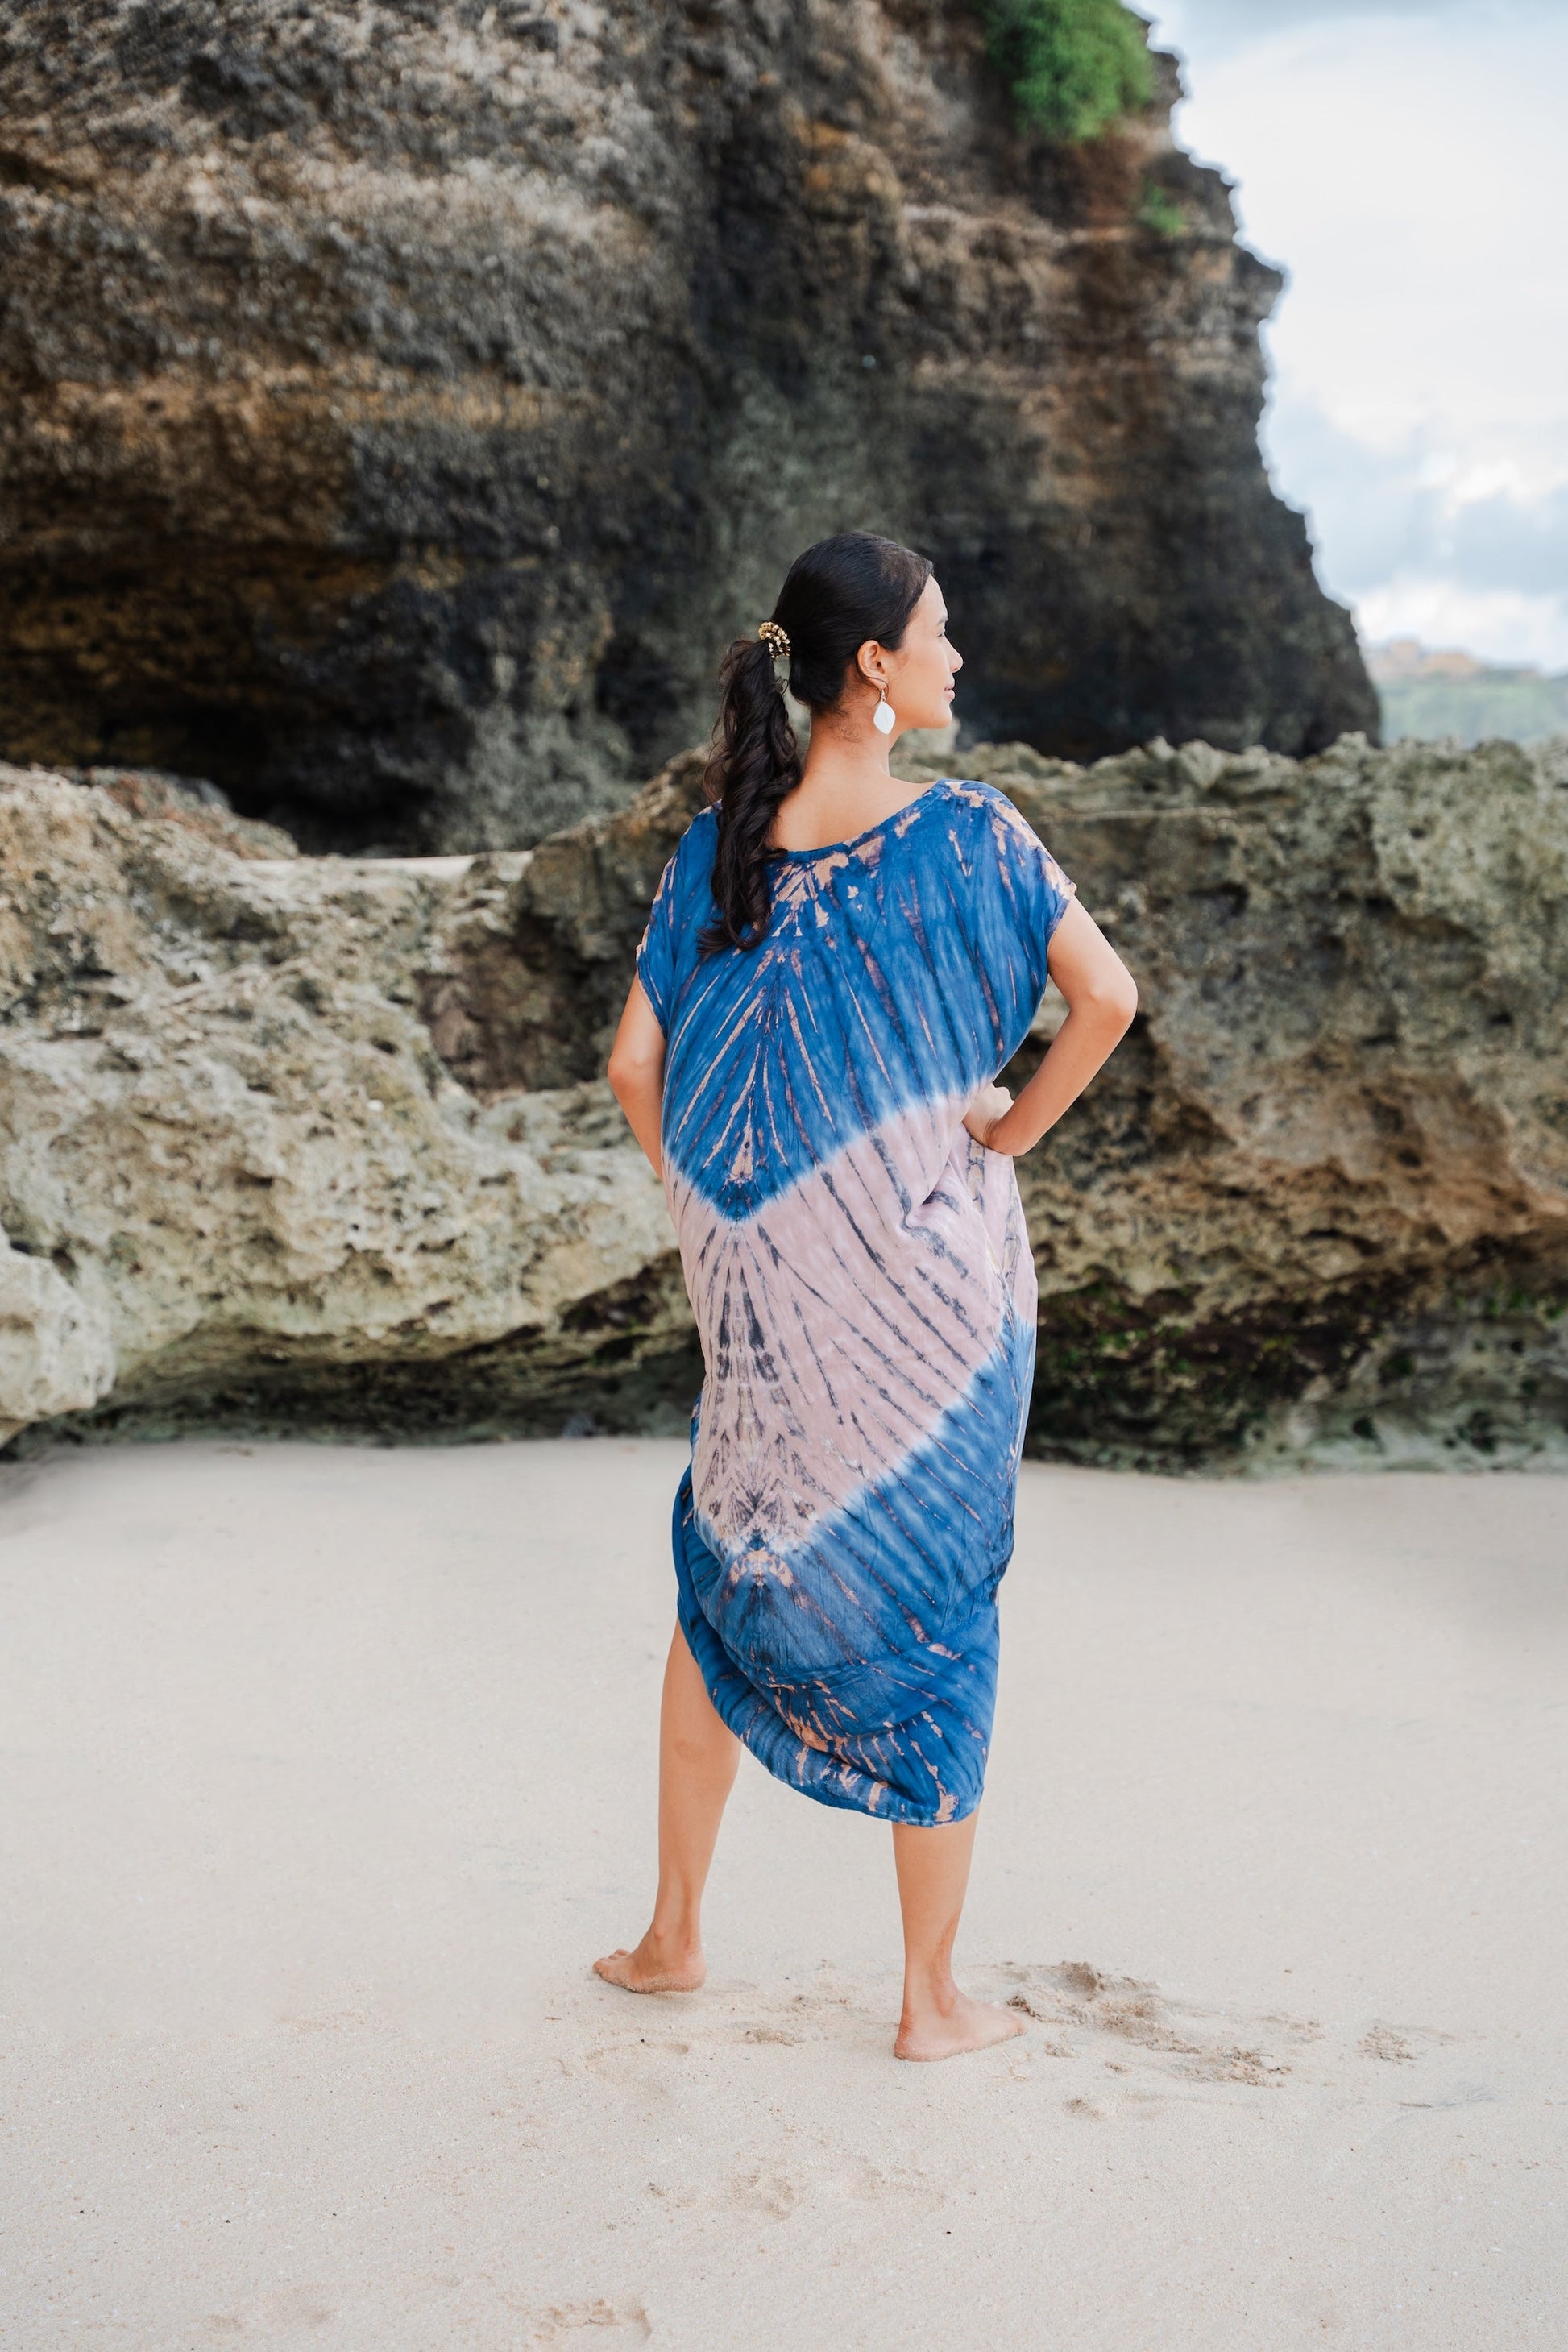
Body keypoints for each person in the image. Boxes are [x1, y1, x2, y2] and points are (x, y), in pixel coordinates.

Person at [595, 531, 1136, 2061]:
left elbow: (634, 1065)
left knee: (722, 1578)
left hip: (758, 1304)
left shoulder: (718, 848)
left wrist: (720, 1217)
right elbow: (1105, 1000)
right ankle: (928, 2001)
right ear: (878, 667)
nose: (959, 657)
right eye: (939, 633)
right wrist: (1004, 1134)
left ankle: (672, 1939)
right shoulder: (971, 835)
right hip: (934, 1310)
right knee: (935, 1608)